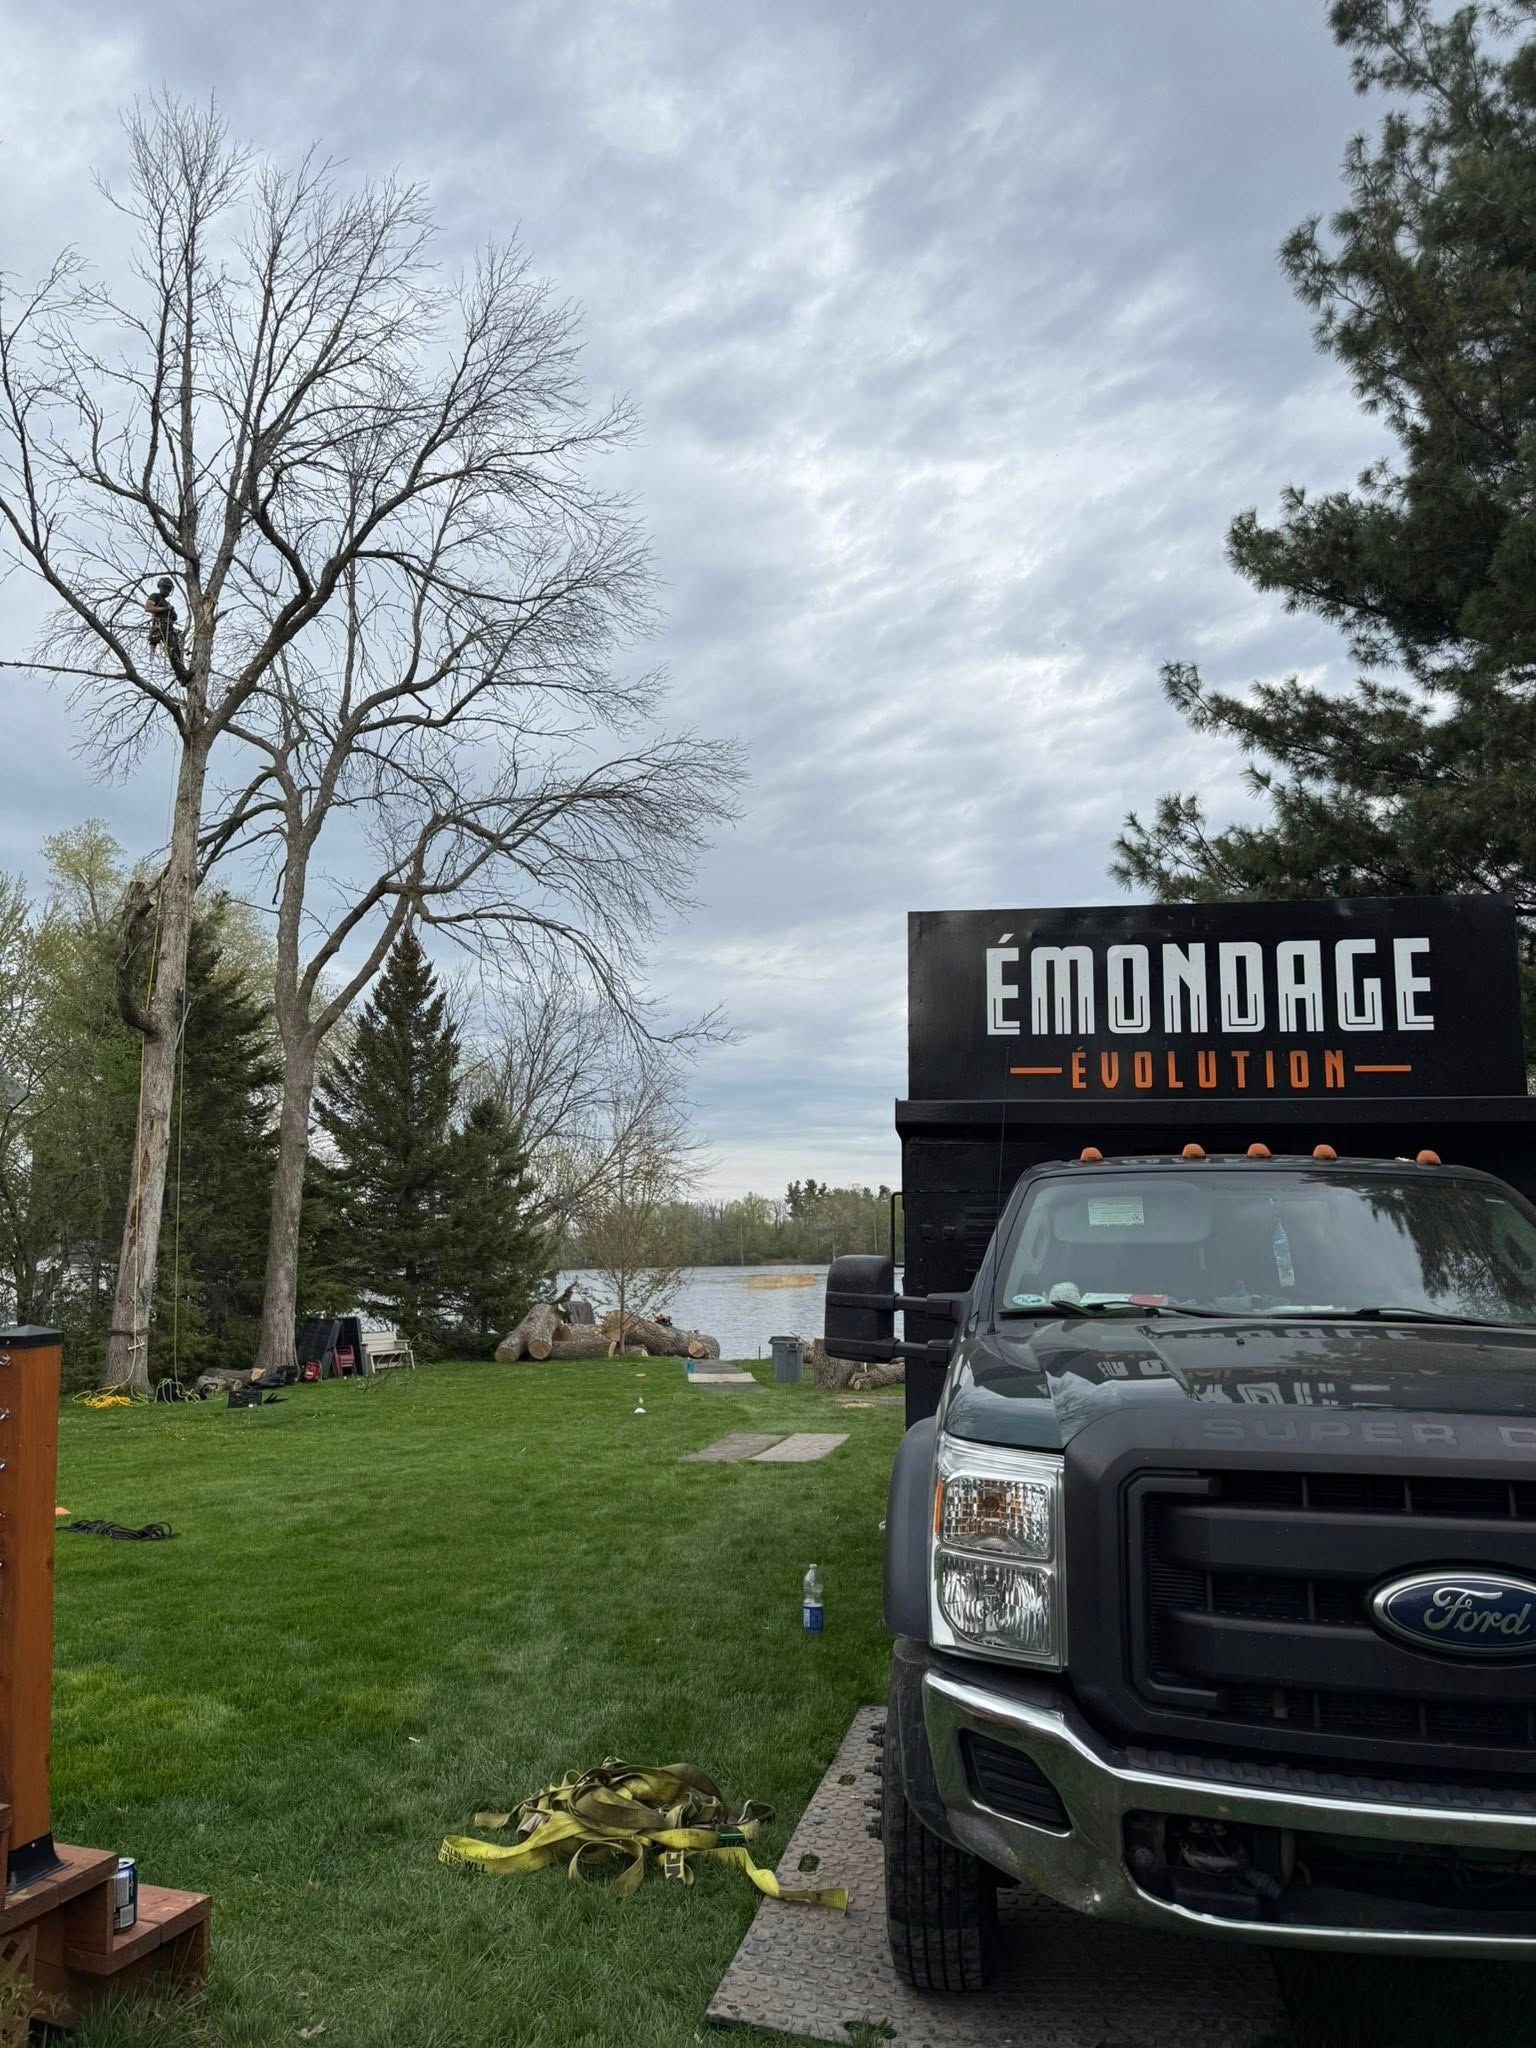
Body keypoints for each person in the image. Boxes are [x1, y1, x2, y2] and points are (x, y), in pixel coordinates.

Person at [143, 577, 181, 660]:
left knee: (176, 651)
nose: (167, 591)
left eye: (169, 589)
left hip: (169, 629)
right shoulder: (155, 596)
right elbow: (148, 608)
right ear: (160, 587)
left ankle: (180, 668)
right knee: (158, 648)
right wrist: (165, 609)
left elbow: (173, 618)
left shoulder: (167, 603)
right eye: (165, 588)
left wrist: (173, 614)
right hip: (159, 627)